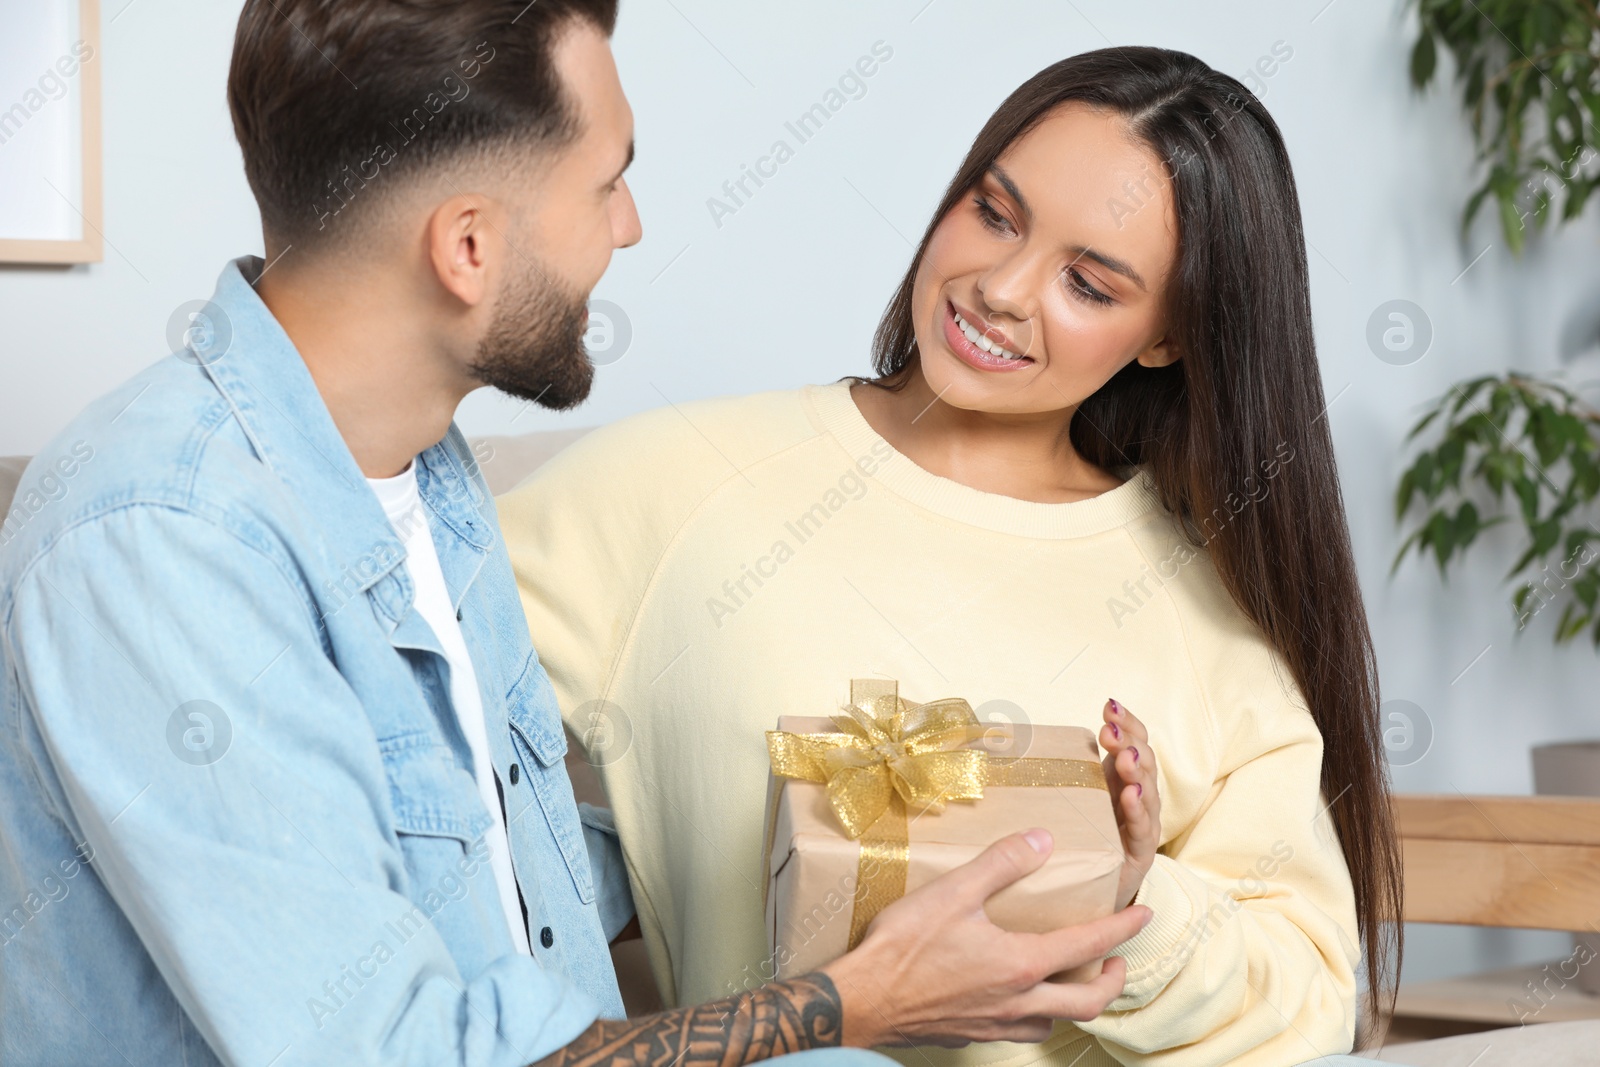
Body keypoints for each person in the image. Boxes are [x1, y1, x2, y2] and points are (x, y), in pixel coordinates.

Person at [0, 3, 1158, 1066]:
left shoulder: (421, 475)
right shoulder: (160, 538)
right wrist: (845, 1002)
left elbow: (498, 861)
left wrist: (950, 838)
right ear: (467, 248)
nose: (632, 225)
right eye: (607, 185)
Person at [500, 46, 1404, 1067]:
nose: (1001, 288)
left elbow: (1313, 1000)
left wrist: (1118, 885)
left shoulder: (1207, 615)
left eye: (1089, 284)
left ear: (1167, 337)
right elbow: (369, 688)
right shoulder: (675, 483)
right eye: (994, 212)